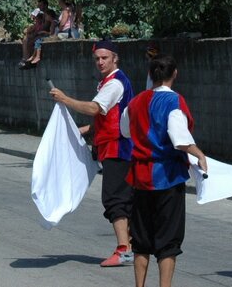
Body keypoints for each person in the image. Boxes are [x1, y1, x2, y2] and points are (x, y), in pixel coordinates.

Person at [121, 54, 207, 287]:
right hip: (167, 177)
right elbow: (179, 139)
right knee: (168, 239)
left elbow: (126, 131)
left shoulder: (135, 102)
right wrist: (198, 153)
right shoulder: (175, 102)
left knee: (140, 238)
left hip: (140, 177)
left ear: (150, 75)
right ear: (175, 74)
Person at [49, 39, 135, 267]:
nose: (100, 62)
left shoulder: (114, 84)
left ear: (115, 58)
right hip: (115, 146)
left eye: (104, 58)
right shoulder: (110, 82)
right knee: (122, 199)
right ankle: (130, 246)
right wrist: (85, 130)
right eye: (97, 58)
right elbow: (107, 116)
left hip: (118, 147)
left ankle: (123, 250)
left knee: (113, 199)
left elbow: (94, 108)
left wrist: (65, 99)